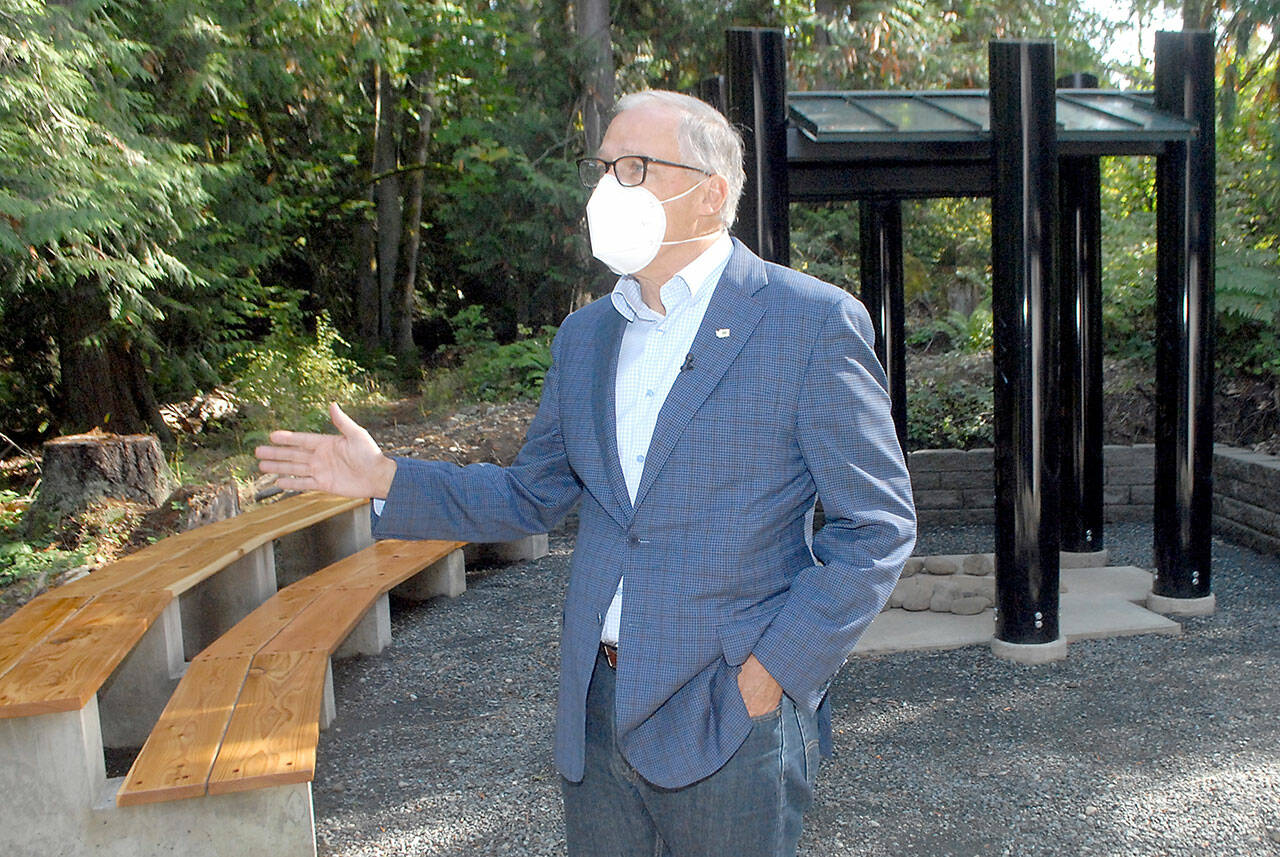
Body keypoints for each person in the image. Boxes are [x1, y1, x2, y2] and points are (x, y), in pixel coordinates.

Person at [256, 89, 915, 857]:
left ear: (712, 194)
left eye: (634, 167)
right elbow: (529, 495)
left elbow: (877, 527)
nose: (608, 189)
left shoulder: (809, 322)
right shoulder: (586, 336)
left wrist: (770, 673)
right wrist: (384, 478)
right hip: (597, 704)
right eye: (603, 168)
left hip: (732, 708)